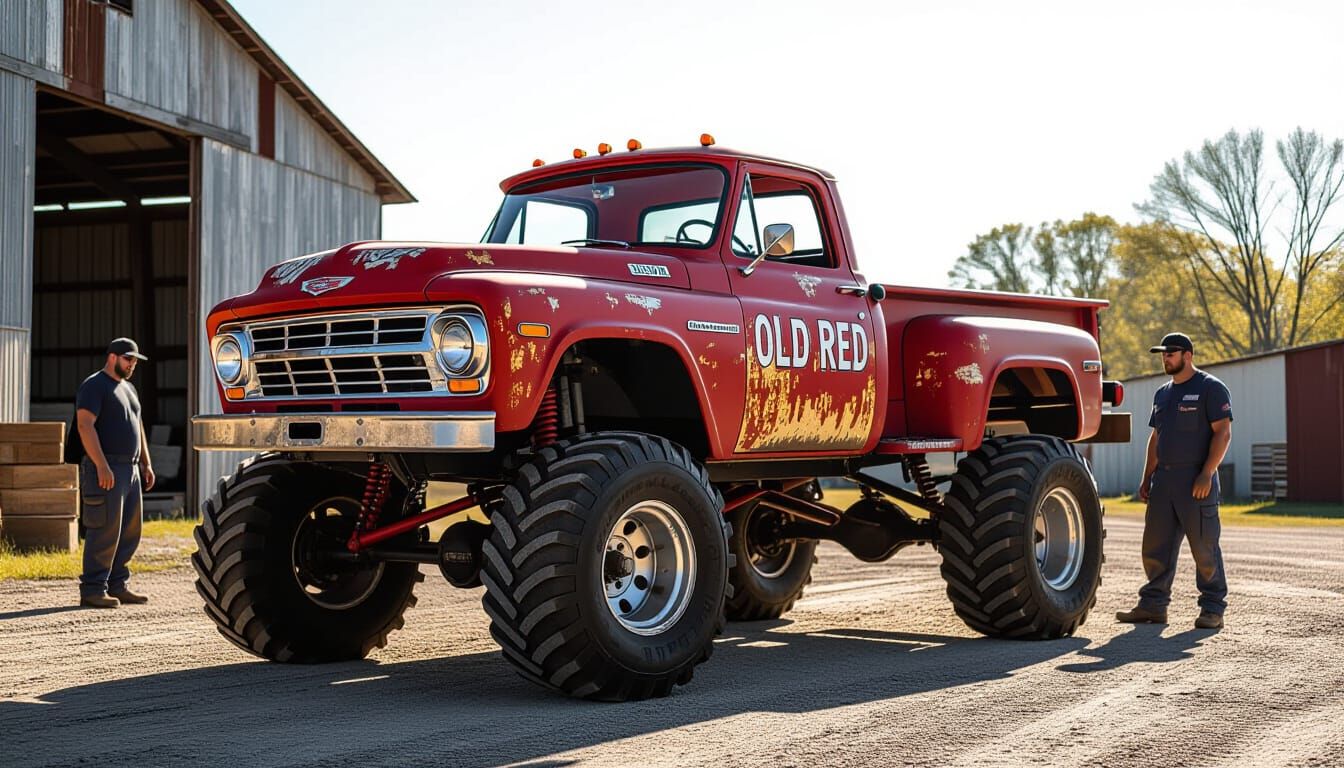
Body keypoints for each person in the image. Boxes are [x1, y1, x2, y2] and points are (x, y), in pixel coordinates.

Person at [1117, 332, 1231, 630]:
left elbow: (1223, 433)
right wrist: (1147, 477)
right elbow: (1156, 438)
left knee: (1204, 548)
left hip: (1196, 480)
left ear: (1188, 355)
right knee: (1155, 546)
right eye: (1163, 354)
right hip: (1164, 482)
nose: (1165, 358)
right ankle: (1153, 606)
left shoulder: (1211, 388)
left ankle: (1212, 609)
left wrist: (1207, 472)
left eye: (1171, 353)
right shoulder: (1163, 394)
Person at [75, 338, 156, 609]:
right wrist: (101, 464)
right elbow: (85, 426)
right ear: (112, 357)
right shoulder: (94, 386)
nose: (132, 364)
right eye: (128, 359)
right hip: (107, 467)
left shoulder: (129, 388)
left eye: (134, 360)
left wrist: (146, 463)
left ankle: (117, 585)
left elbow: (139, 426)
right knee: (104, 529)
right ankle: (93, 588)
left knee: (130, 530)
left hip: (130, 469)